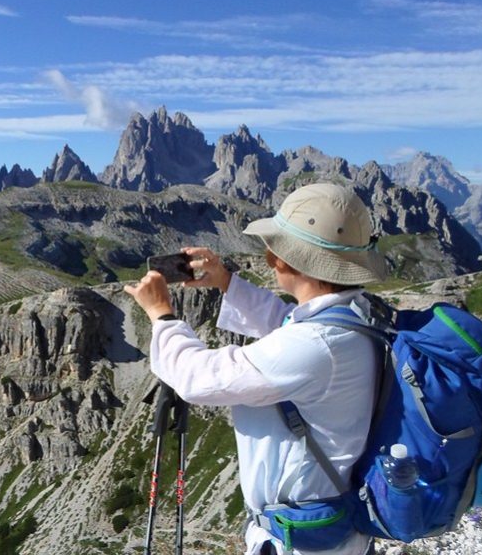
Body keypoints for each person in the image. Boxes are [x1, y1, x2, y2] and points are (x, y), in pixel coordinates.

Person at [124, 183, 389, 555]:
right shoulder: (353, 317)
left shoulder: (316, 346)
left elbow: (198, 378)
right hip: (330, 528)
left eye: (274, 248)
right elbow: (285, 321)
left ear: (287, 260)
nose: (269, 256)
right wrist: (226, 282)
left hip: (300, 542)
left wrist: (161, 315)